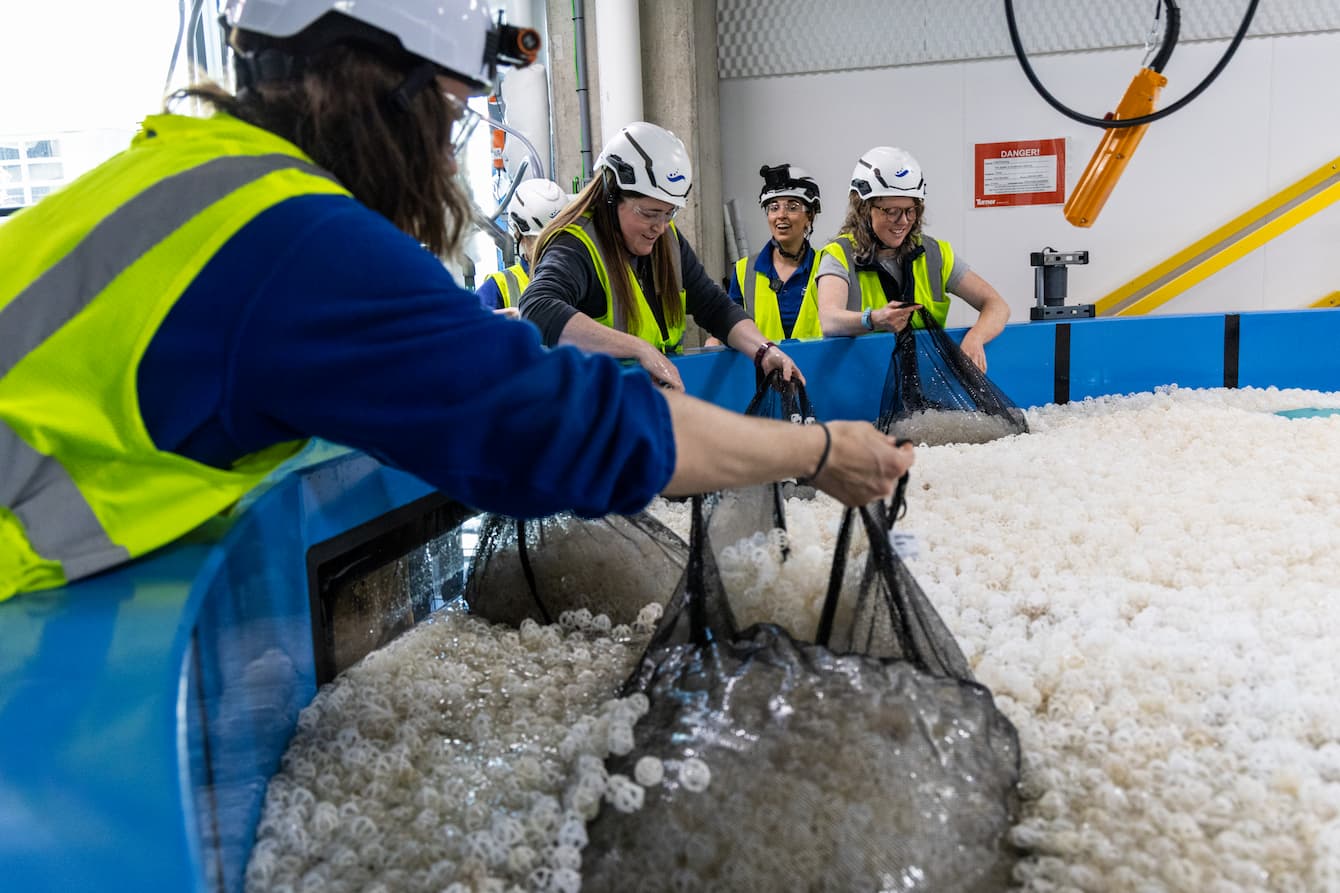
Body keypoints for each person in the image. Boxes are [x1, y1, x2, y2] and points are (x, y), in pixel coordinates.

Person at [0, 0, 914, 601]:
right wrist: (817, 449)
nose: (444, 157)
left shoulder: (187, 176)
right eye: (443, 115)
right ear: (374, 89)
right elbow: (555, 419)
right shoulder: (295, 241)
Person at [519, 122, 804, 392]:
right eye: (649, 213)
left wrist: (764, 350)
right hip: (597, 419)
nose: (660, 226)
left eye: (669, 213)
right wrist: (639, 349)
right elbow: (538, 308)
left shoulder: (667, 241)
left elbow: (713, 305)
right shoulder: (576, 246)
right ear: (610, 194)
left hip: (650, 410)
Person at [816, 146, 1010, 372]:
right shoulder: (839, 255)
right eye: (891, 211)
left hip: (923, 386)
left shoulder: (934, 253)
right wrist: (875, 319)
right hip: (855, 383)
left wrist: (976, 337)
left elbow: (997, 306)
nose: (903, 221)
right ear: (863, 209)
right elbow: (829, 320)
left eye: (911, 210)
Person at [728, 163, 824, 342]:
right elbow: (730, 326)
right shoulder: (745, 271)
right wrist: (715, 340)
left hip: (818, 368)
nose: (781, 215)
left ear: (809, 216)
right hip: (763, 369)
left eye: (792, 207)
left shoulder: (827, 266)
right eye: (774, 207)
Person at [476, 177, 569, 315]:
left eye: (559, 239)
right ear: (518, 234)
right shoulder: (499, 286)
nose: (553, 249)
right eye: (541, 241)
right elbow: (465, 327)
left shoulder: (581, 277)